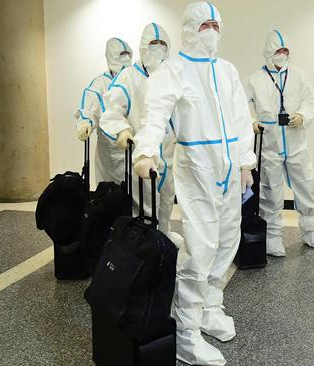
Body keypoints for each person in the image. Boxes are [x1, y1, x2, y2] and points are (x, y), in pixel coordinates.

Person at [132, 2, 255, 365]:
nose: (212, 31)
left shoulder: (227, 70)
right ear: (189, 28)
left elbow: (240, 119)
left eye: (217, 25)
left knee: (227, 239)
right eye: (205, 25)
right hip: (196, 166)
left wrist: (246, 162)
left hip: (229, 169)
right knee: (200, 248)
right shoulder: (173, 71)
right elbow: (155, 114)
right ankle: (186, 333)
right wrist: (146, 151)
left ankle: (210, 307)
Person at [245, 30, 314, 257]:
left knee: (306, 186)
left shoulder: (299, 75)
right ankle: (272, 236)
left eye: (285, 51)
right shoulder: (255, 79)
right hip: (270, 147)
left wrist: (303, 115)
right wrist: (252, 121)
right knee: (270, 191)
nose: (282, 54)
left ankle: (311, 229)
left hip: (296, 145)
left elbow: (312, 101)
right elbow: (241, 107)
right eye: (277, 51)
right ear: (268, 52)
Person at [98, 23, 182, 246]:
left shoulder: (174, 74)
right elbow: (110, 112)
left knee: (166, 199)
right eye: (152, 44)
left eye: (162, 44)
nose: (157, 49)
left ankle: (162, 239)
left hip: (170, 152)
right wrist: (122, 129)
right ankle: (145, 245)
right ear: (143, 47)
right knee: (144, 204)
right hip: (143, 155)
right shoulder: (129, 77)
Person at [75, 38, 133, 184]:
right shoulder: (100, 83)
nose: (125, 58)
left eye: (127, 54)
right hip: (108, 151)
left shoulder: (136, 79)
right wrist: (85, 123)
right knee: (108, 193)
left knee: (136, 193)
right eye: (121, 54)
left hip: (133, 145)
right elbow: (90, 106)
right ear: (111, 56)